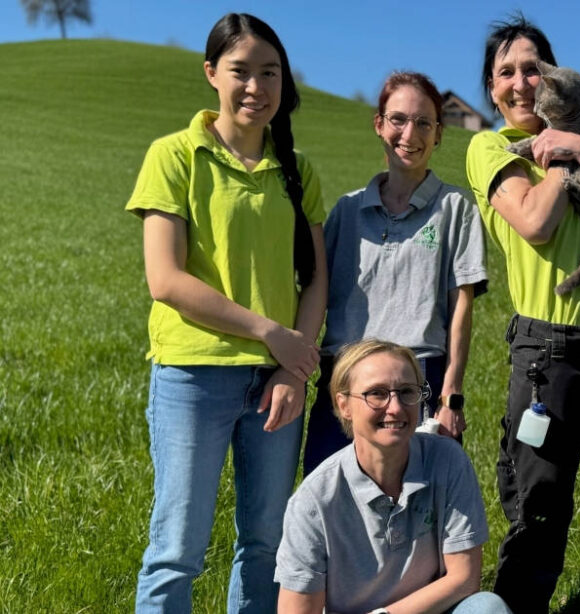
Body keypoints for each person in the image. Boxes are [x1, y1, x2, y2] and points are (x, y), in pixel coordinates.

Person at [126, 13, 327, 612]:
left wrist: (294, 371)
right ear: (212, 73)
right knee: (177, 550)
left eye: (270, 73)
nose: (256, 87)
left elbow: (315, 277)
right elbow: (165, 279)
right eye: (241, 72)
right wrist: (272, 334)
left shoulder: (298, 170)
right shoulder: (174, 155)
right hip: (193, 376)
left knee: (266, 546)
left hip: (276, 385)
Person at [463, 14, 580, 613]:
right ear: (490, 88)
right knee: (537, 513)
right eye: (505, 73)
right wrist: (560, 154)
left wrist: (577, 142)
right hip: (546, 358)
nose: (521, 83)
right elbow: (537, 225)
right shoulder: (489, 147)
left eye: (532, 69)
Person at [302, 71, 488, 475]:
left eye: (424, 123)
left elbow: (462, 308)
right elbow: (314, 291)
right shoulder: (346, 211)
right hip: (345, 377)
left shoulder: (456, 208)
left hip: (415, 378)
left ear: (439, 134)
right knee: (331, 501)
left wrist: (450, 395)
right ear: (379, 125)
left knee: (413, 510)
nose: (410, 133)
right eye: (399, 120)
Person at [275, 340, 511, 614]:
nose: (396, 408)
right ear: (344, 405)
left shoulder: (447, 460)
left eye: (406, 392)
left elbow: (464, 578)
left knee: (487, 607)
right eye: (376, 394)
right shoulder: (314, 501)